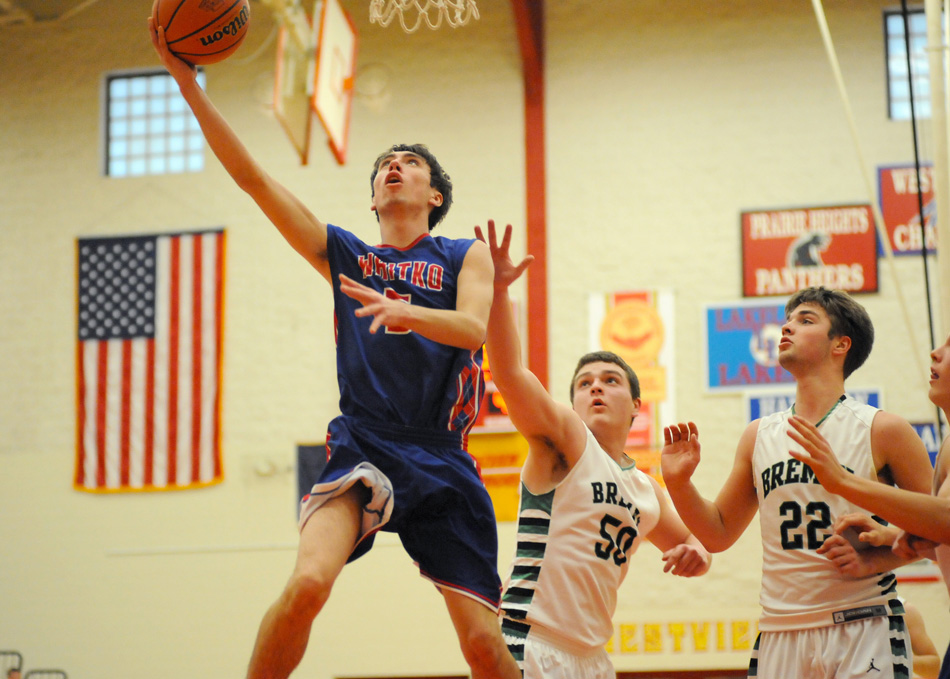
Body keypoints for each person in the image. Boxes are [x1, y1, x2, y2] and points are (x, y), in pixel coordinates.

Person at [149, 22, 521, 679]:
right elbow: (254, 181)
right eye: (384, 166)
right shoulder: (349, 252)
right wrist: (186, 81)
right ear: (374, 195)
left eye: (410, 164)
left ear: (433, 196)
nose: (394, 167)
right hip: (365, 443)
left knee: (485, 649)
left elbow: (472, 331)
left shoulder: (466, 253)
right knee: (307, 586)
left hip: (443, 455)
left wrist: (407, 309)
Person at [476, 220, 711, 678]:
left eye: (610, 381)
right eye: (585, 384)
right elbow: (509, 374)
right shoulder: (565, 442)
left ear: (636, 406)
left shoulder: (647, 490)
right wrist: (499, 293)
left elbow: (692, 543)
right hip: (531, 642)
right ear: (573, 402)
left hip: (593, 659)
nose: (596, 389)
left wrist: (698, 555)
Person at [661, 286, 934, 679]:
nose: (786, 328)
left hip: (863, 621)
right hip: (780, 629)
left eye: (805, 321)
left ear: (841, 345)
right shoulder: (759, 434)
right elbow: (717, 534)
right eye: (787, 320)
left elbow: (937, 528)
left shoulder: (882, 429)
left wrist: (881, 555)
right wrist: (679, 484)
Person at [787, 330, 950, 679]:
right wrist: (890, 542)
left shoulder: (878, 428)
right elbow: (936, 537)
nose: (935, 352)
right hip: (786, 625)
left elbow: (945, 521)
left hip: (867, 623)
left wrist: (844, 481)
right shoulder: (948, 447)